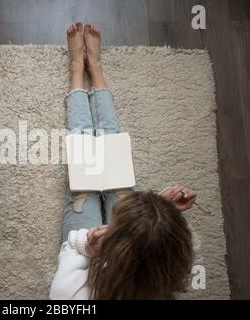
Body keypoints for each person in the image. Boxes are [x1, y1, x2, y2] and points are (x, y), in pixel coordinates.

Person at [49, 22, 196, 300]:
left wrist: (88, 244)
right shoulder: (160, 282)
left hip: (92, 254)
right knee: (111, 151)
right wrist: (160, 211)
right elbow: (152, 247)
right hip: (129, 249)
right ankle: (96, 69)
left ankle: (77, 71)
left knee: (83, 174)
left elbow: (70, 248)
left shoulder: (70, 293)